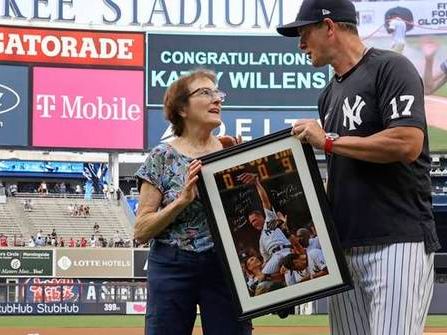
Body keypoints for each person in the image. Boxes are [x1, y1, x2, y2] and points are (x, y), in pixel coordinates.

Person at [276, 0, 440, 334]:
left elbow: (407, 143)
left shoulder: (391, 68)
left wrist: (330, 141)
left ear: (330, 27)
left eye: (304, 32)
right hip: (346, 247)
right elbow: (342, 173)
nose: (300, 44)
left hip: (396, 241)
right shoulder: (328, 96)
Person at [134, 69, 251, 335]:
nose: (217, 99)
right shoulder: (161, 156)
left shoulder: (233, 151)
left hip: (224, 265)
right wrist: (180, 202)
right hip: (171, 264)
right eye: (205, 93)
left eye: (217, 93)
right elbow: (141, 230)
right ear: (182, 108)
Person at [239, 172, 292, 275]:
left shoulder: (269, 221)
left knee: (264, 275)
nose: (253, 224)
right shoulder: (261, 241)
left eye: (254, 220)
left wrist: (257, 183)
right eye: (251, 223)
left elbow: (265, 201)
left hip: (286, 251)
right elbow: (266, 260)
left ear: (261, 216)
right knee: (264, 275)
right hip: (276, 258)